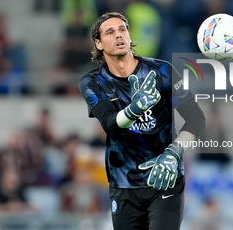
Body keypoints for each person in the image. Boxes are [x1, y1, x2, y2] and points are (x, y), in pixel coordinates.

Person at [78, 12, 206, 230]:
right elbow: (110, 123)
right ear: (98, 44)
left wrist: (174, 152)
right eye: (110, 32)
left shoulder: (162, 71)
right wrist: (135, 109)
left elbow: (196, 117)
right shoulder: (92, 82)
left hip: (164, 179)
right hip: (124, 185)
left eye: (122, 29)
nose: (119, 35)